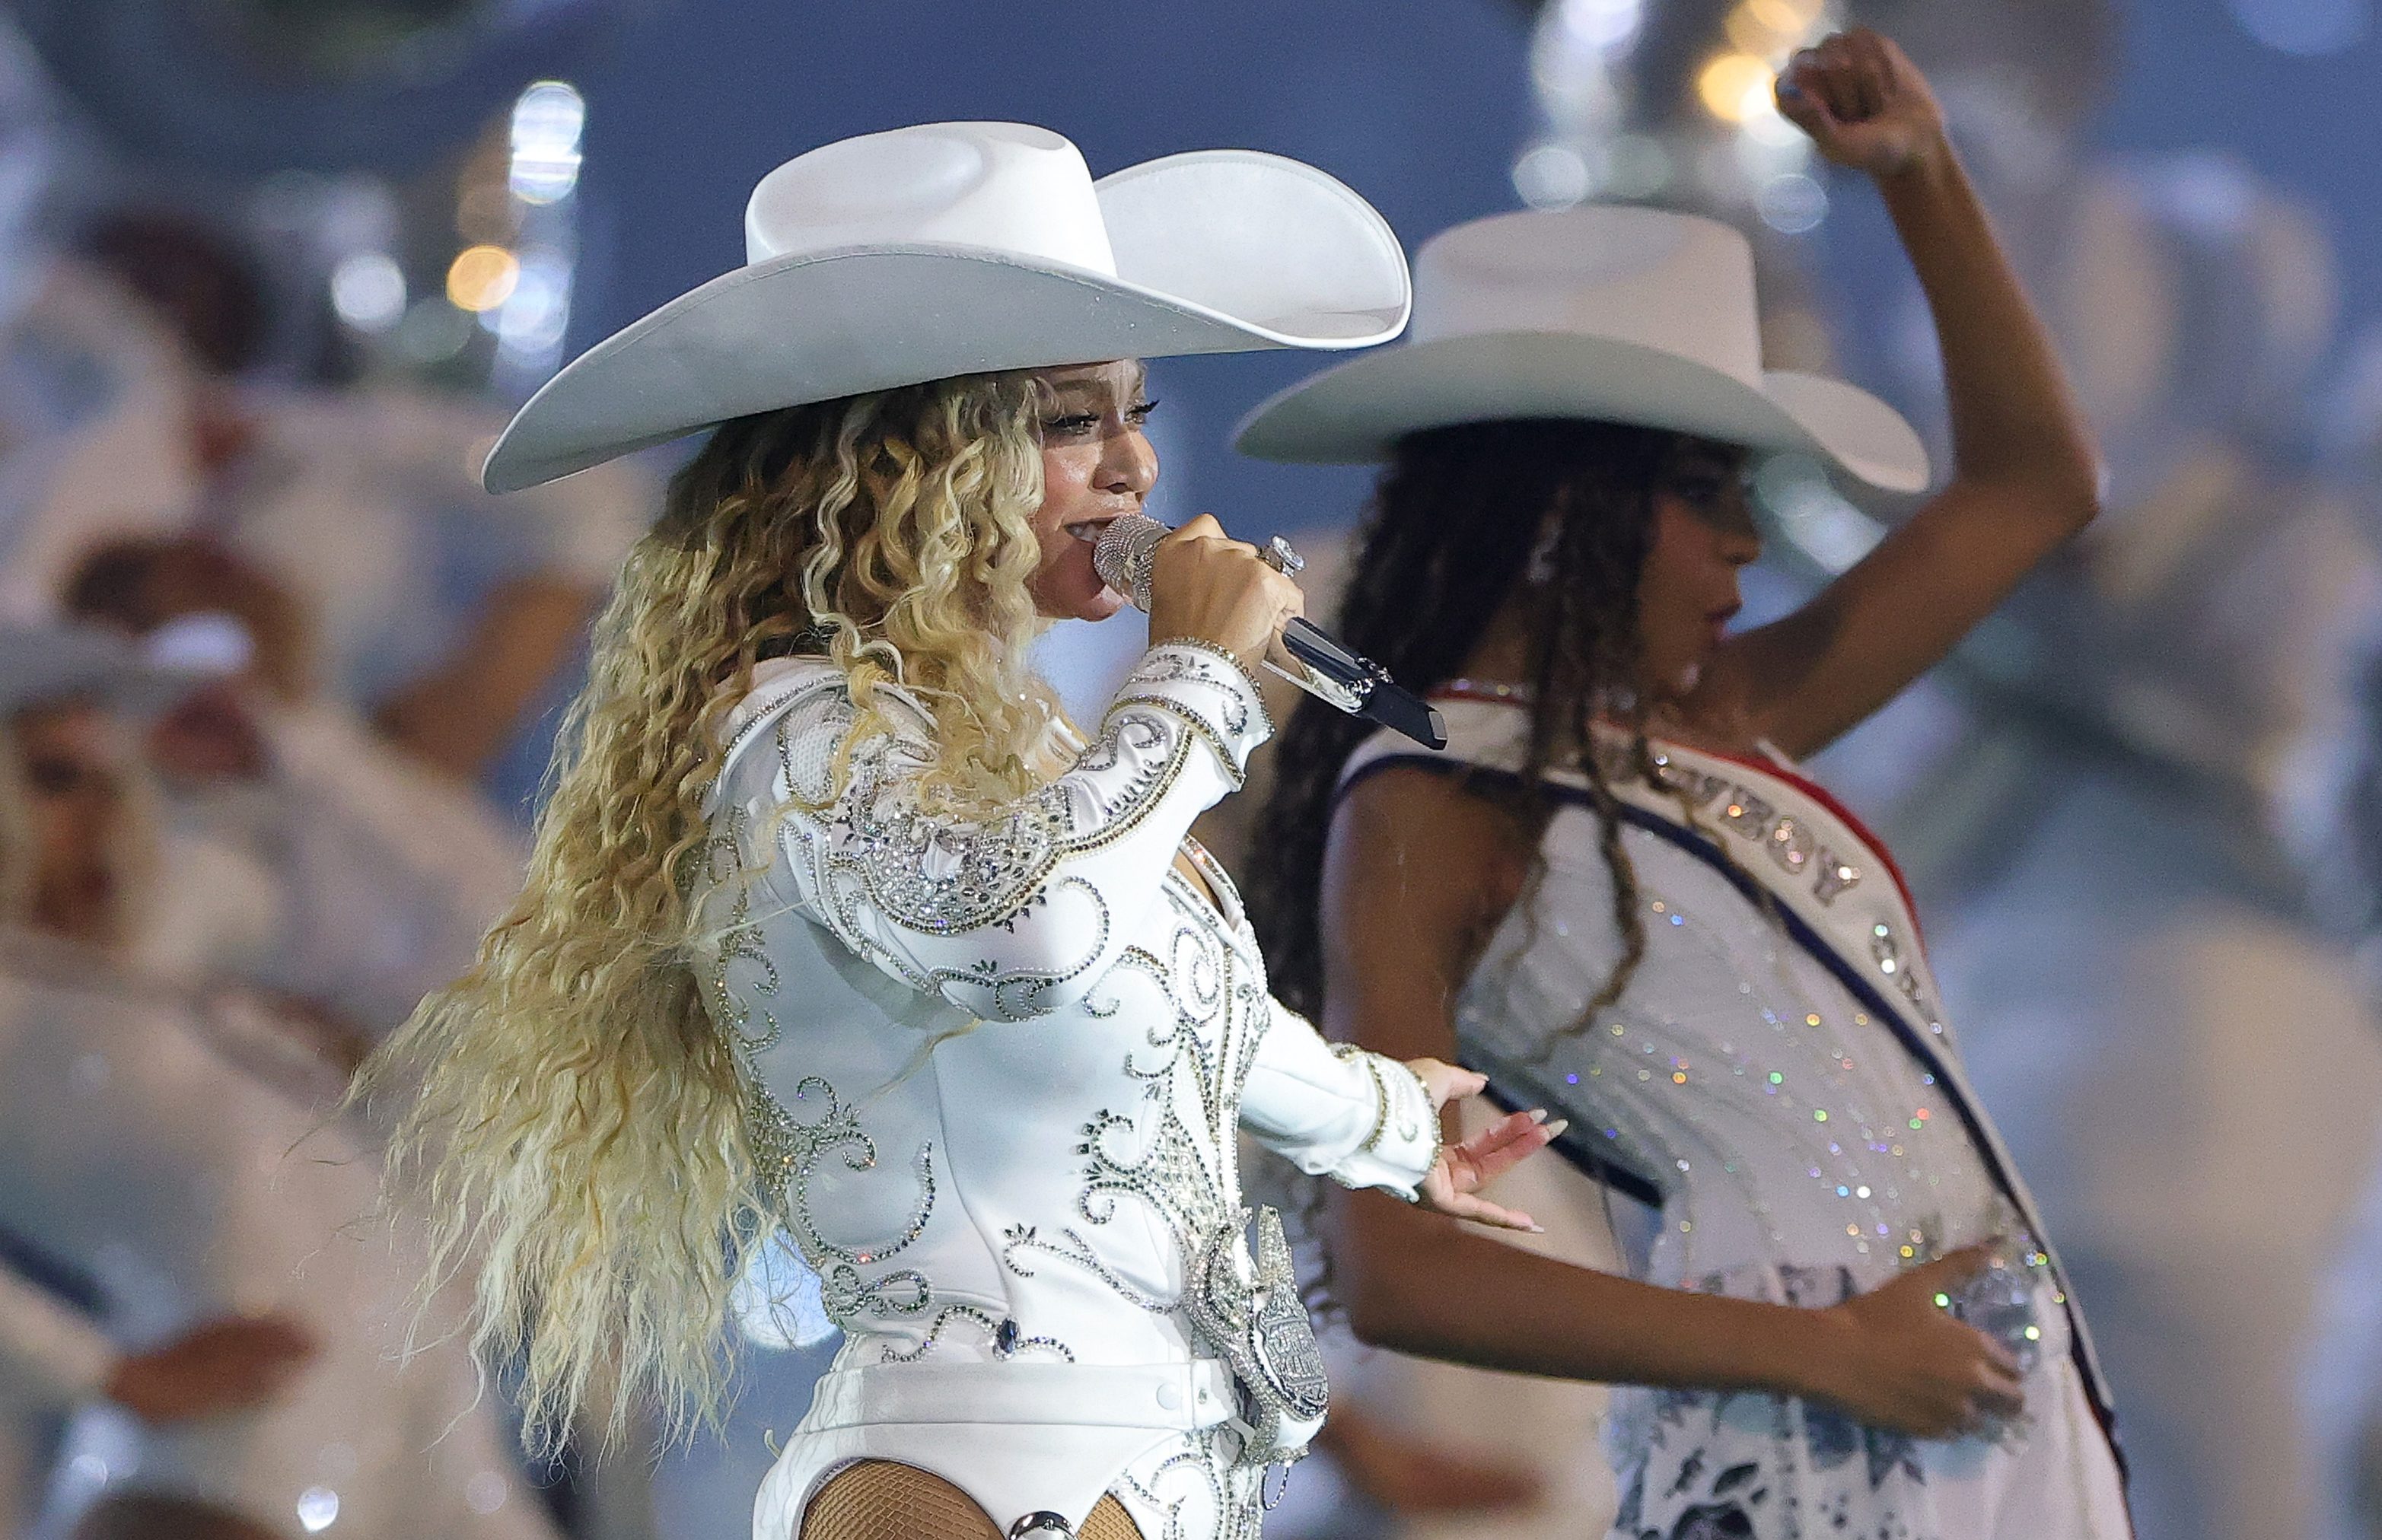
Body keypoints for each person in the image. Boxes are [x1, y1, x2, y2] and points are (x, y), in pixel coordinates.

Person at [362, 121, 1557, 1540]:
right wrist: (1189, 681)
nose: (1131, 470)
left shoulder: (1034, 757)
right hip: (967, 1465)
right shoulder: (796, 735)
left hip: (1162, 1469)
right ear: (907, 460)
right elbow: (1025, 940)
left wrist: (1393, 1117)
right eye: (1066, 420)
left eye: (1135, 417)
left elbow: (1187, 1012)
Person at [1239, 32, 2129, 1540]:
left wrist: (1920, 178)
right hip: (1804, 1415)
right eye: (1702, 492)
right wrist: (1828, 1353)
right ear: (1557, 511)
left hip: (1972, 1390)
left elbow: (2033, 486)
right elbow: (1394, 1266)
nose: (1742, 543)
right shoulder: (1430, 797)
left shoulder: (1716, 717)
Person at [0, 623, 560, 1540]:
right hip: (219, 1473)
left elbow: (515, 973)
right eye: (54, 778)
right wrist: (103, 1371)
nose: (100, 816)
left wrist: (298, 748)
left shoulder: (191, 983)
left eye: (117, 778)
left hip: (441, 1453)